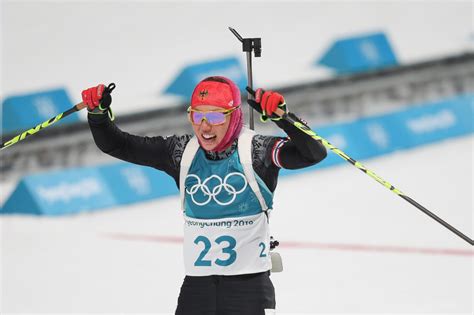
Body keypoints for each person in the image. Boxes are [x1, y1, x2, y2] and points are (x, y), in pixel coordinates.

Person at [83, 76, 327, 315]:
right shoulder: (180, 152)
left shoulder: (256, 150)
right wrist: (98, 115)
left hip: (249, 290)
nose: (205, 126)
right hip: (197, 290)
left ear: (234, 116)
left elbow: (313, 153)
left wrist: (284, 119)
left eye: (215, 116)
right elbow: (117, 145)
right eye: (197, 115)